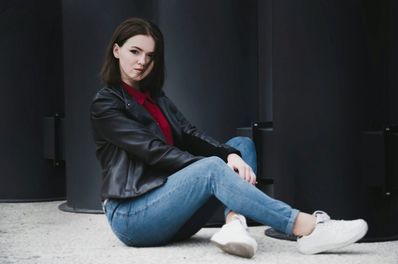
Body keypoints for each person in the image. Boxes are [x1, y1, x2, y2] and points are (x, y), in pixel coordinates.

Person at [90, 17, 368, 258]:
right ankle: (305, 228)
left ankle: (234, 225)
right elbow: (153, 151)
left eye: (150, 56)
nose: (142, 62)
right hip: (132, 216)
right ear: (117, 50)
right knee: (211, 167)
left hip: (170, 209)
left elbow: (189, 134)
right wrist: (215, 166)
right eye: (135, 52)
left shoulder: (155, 98)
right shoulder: (106, 104)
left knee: (240, 146)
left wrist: (229, 155)